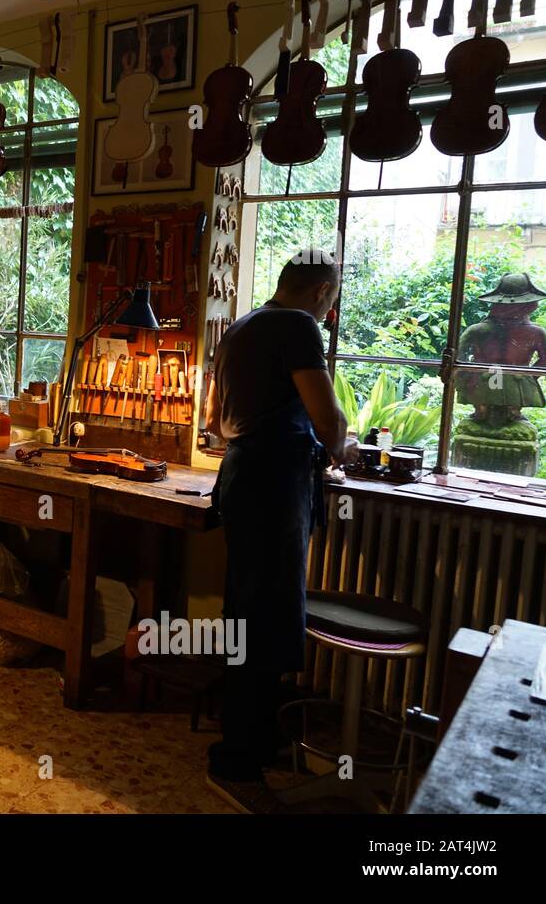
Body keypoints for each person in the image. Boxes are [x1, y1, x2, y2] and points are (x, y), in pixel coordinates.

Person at [202, 251, 358, 813]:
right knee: (264, 621)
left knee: (248, 613)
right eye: (332, 299)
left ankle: (253, 743)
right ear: (320, 291)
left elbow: (217, 420)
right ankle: (236, 764)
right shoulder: (298, 326)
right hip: (272, 483)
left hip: (244, 474)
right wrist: (343, 445)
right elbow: (327, 418)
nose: (331, 309)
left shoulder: (242, 324)